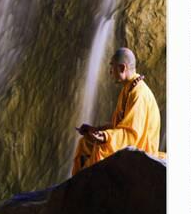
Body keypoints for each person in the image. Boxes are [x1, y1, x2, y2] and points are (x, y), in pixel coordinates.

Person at [71, 47, 165, 176]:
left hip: (141, 150)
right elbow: (120, 125)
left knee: (101, 149)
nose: (110, 71)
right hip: (126, 141)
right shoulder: (128, 89)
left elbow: (131, 135)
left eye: (112, 67)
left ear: (122, 68)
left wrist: (105, 137)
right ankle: (75, 186)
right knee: (84, 143)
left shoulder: (139, 94)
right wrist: (96, 130)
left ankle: (86, 190)